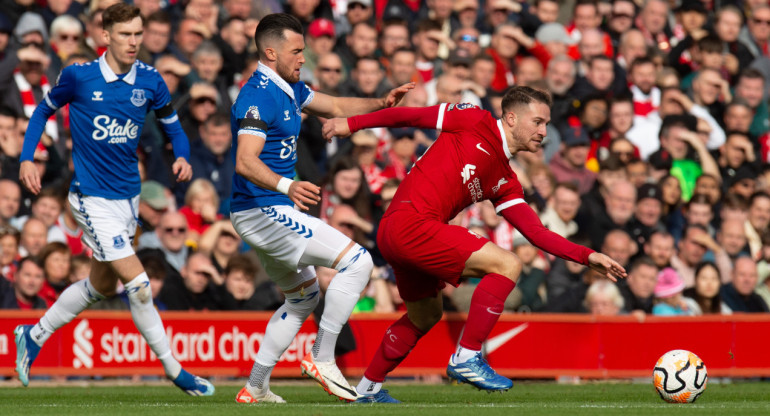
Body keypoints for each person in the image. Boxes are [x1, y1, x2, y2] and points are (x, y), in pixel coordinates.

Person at [323, 86, 626, 402]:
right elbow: (410, 115)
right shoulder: (472, 119)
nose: (543, 132)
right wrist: (352, 123)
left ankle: (367, 389)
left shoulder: (506, 181)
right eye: (537, 122)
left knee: (425, 315)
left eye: (546, 124)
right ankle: (466, 356)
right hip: (409, 223)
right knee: (508, 263)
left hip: (402, 233)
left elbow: (537, 234)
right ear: (510, 118)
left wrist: (587, 255)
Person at [14, 4, 213, 396]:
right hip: (89, 197)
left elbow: (174, 128)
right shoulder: (79, 76)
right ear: (105, 36)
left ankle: (33, 335)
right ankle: (175, 371)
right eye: (125, 34)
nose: (134, 41)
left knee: (99, 286)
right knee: (138, 284)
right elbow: (42, 111)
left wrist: (184, 155)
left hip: (128, 201)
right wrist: (25, 158)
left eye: (138, 33)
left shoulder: (152, 81)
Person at [230, 13, 413, 404]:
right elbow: (245, 161)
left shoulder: (289, 87)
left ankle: (256, 385)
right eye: (296, 51)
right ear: (270, 51)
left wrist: (379, 103)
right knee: (359, 262)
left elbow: (334, 103)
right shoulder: (257, 94)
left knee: (303, 299)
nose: (302, 58)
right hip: (262, 207)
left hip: (266, 209)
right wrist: (288, 184)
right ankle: (323, 357)